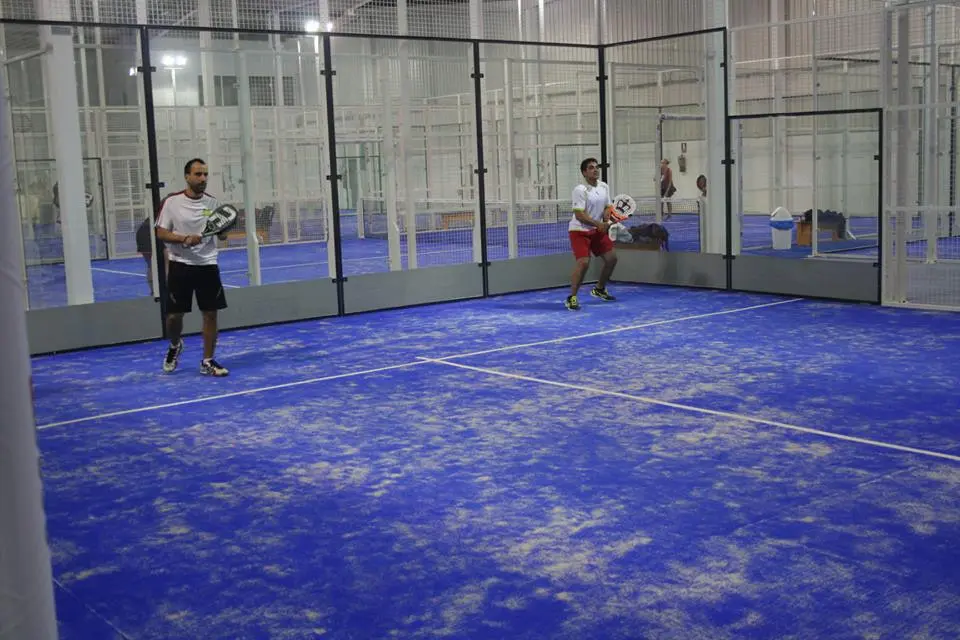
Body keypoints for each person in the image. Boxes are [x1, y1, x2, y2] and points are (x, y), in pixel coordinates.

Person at [153, 158, 230, 376]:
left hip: (207, 264)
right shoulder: (172, 202)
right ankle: (175, 345)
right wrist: (184, 239)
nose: (203, 178)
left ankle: (208, 360)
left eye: (205, 174)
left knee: (210, 314)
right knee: (174, 317)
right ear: (187, 176)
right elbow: (160, 232)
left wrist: (223, 231)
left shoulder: (213, 203)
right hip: (181, 265)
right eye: (198, 174)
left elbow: (221, 233)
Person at [565, 157, 618, 311]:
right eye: (590, 168)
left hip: (597, 230)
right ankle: (572, 297)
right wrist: (599, 224)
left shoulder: (604, 187)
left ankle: (599, 289)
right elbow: (580, 215)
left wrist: (607, 216)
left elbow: (608, 206)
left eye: (596, 167)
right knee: (583, 263)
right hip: (579, 231)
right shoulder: (580, 190)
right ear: (584, 172)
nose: (595, 170)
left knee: (612, 259)